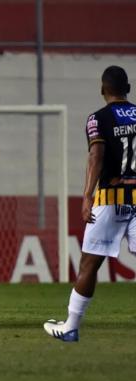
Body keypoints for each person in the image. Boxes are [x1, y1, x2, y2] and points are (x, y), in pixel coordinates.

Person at [44, 65, 136, 342]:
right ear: (128, 89)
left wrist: (86, 196)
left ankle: (70, 326)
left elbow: (96, 156)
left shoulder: (98, 118)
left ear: (102, 89)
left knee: (89, 264)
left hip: (111, 199)